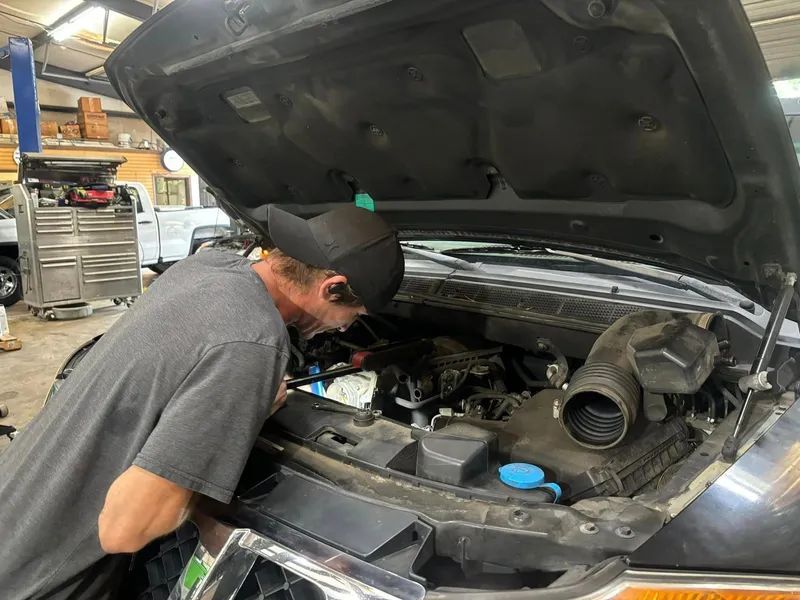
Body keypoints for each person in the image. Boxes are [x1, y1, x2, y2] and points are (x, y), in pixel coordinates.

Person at [0, 204, 404, 600]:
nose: (345, 328)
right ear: (331, 287)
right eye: (352, 316)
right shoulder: (252, 342)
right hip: (39, 581)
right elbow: (125, 531)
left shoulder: (205, 268)